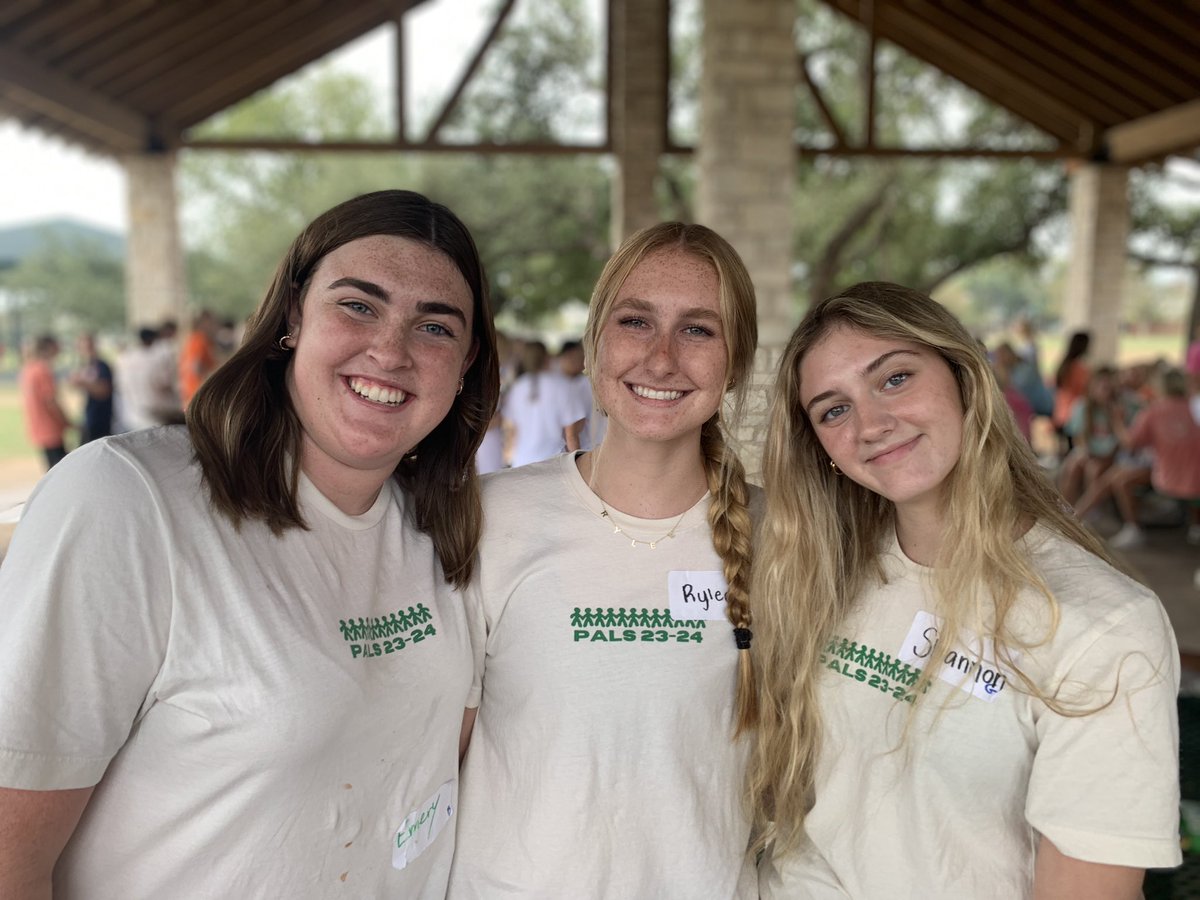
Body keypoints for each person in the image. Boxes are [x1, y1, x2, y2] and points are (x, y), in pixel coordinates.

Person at [0, 190, 500, 898]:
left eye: (435, 327)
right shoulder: (130, 500)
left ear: (466, 360)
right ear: (293, 315)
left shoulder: (445, 529)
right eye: (358, 306)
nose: (391, 351)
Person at [750, 282, 1180, 899]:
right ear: (821, 449)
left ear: (964, 377)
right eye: (833, 410)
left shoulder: (1102, 623)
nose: (871, 425)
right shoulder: (821, 574)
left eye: (895, 378)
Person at [449, 222, 759, 898]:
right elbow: (436, 760)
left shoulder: (782, 539)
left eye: (698, 329)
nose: (661, 358)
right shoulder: (491, 517)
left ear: (736, 362)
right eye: (635, 321)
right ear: (595, 343)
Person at [1077, 368, 1200, 549]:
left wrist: (1117, 421)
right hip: (1192, 476)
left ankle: (1129, 527)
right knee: (1114, 474)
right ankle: (1079, 514)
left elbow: (1130, 443)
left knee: (1120, 479)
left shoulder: (1154, 411)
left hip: (1168, 476)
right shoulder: (1193, 407)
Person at [500, 339, 589, 466]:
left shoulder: (517, 388)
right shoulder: (562, 385)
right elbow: (571, 435)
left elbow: (511, 429)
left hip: (521, 462)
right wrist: (578, 464)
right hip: (554, 463)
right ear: (547, 358)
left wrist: (507, 457)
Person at [19, 334, 71, 468]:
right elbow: (51, 401)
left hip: (38, 427)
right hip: (50, 428)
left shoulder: (29, 369)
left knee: (52, 467)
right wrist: (66, 421)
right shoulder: (43, 370)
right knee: (60, 469)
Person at [68, 332, 115, 443]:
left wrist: (83, 383)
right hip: (87, 416)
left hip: (100, 418)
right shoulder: (83, 365)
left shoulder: (101, 366)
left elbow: (105, 391)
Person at [1052, 330, 1091, 454]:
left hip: (1060, 414)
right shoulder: (1080, 369)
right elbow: (1085, 391)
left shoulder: (1064, 365)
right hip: (1074, 417)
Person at [178, 308, 219, 409]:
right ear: (203, 323)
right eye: (212, 323)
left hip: (191, 394)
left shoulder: (192, 339)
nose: (215, 326)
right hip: (198, 394)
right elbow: (196, 367)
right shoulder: (200, 340)